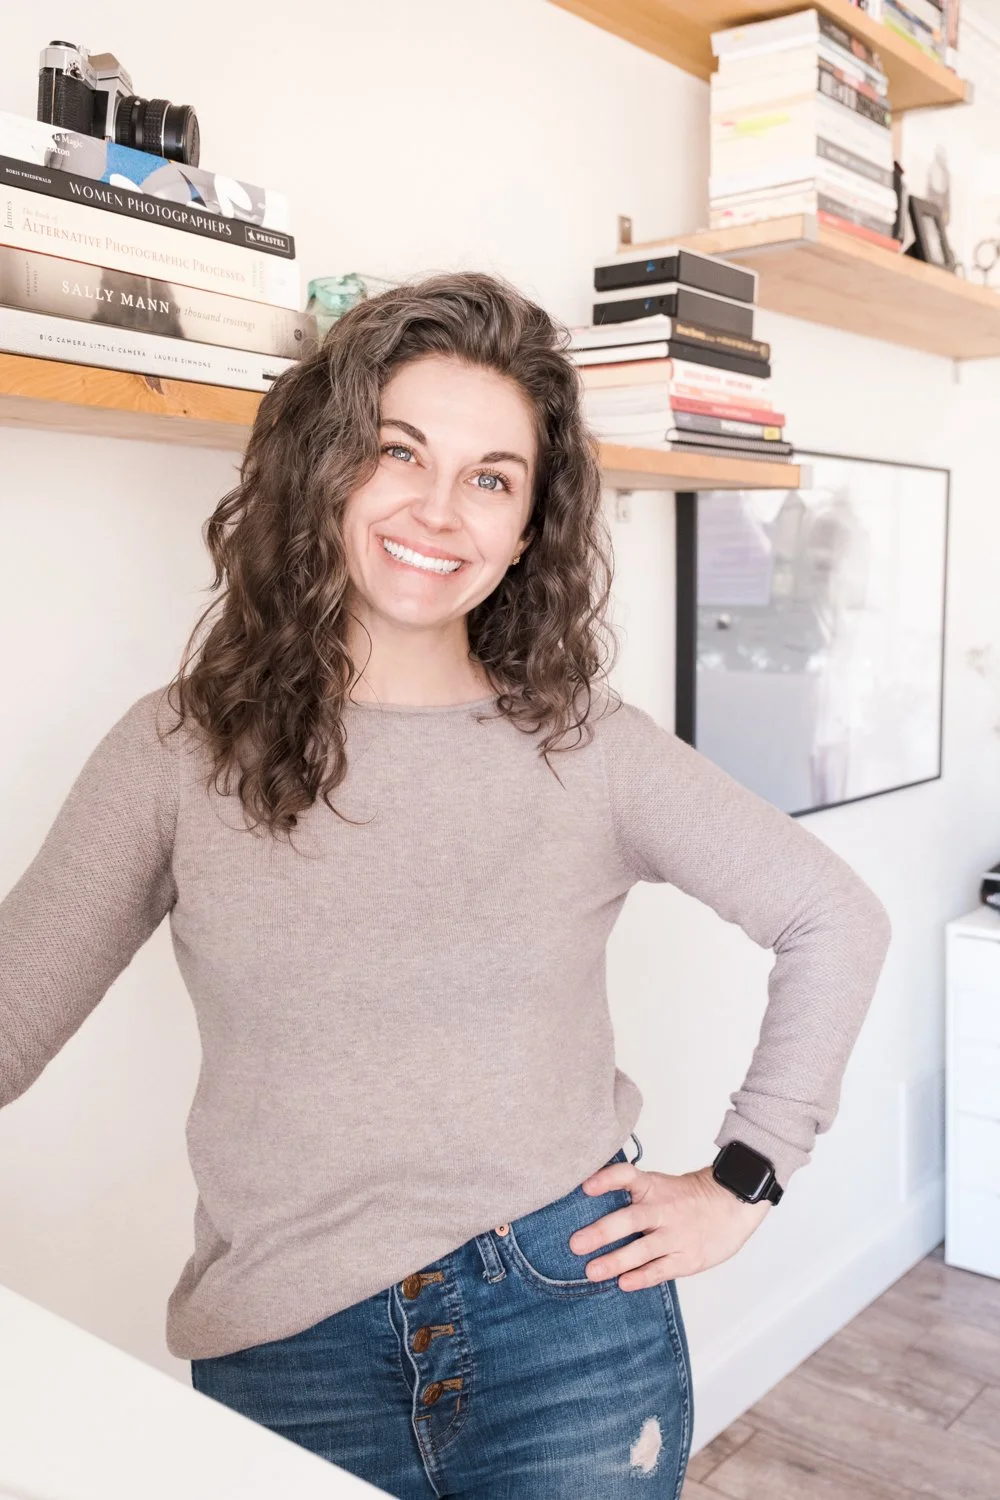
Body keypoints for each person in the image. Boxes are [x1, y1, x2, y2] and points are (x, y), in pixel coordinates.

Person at [0, 270, 892, 1498]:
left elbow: (831, 915)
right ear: (326, 468)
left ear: (528, 527)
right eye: (397, 452)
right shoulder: (178, 749)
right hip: (285, 1348)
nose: (438, 509)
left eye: (490, 478)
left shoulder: (588, 744)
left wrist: (744, 1180)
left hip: (570, 1325)